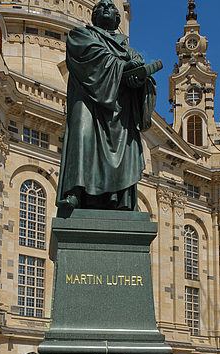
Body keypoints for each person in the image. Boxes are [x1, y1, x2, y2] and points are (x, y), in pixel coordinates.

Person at [56, 0, 157, 211]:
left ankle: (118, 198)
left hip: (120, 110)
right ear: (93, 15)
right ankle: (75, 192)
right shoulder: (81, 35)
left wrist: (139, 81)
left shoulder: (130, 50)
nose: (106, 8)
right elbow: (89, 57)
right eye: (100, 6)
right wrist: (122, 67)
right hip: (88, 101)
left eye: (111, 7)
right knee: (81, 133)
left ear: (118, 17)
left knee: (124, 141)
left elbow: (141, 80)